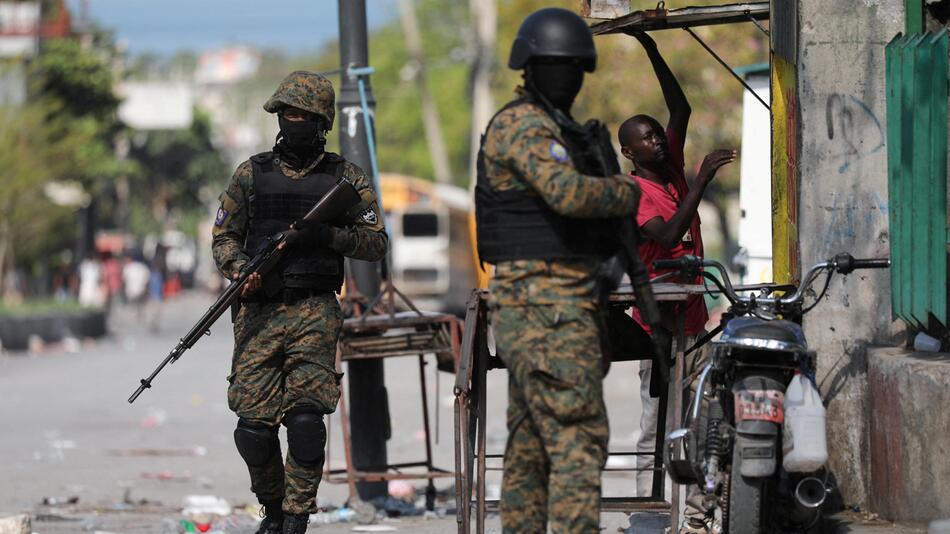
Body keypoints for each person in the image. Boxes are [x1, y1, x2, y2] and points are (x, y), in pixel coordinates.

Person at [474, 8, 642, 533]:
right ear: (531, 67)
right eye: (557, 66)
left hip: (560, 301)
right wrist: (626, 192)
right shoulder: (522, 123)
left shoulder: (559, 127)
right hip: (543, 303)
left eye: (575, 68)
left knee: (530, 445)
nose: (568, 77)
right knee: (577, 438)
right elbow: (565, 193)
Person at [211, 71, 388, 534]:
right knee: (253, 428)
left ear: (322, 121)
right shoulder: (251, 174)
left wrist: (327, 234)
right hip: (259, 312)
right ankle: (272, 506)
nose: (295, 122)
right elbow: (224, 236)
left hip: (315, 310)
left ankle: (295, 516)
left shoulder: (344, 177)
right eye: (288, 114)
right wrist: (238, 271)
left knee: (307, 421)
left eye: (305, 116)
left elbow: (376, 243)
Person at [617, 31, 736, 534]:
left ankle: (695, 514)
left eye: (657, 134)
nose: (658, 139)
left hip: (692, 318)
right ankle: (648, 514)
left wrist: (650, 47)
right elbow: (666, 235)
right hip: (657, 325)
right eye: (646, 137)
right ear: (629, 152)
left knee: (704, 416)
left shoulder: (671, 171)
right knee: (658, 420)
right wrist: (704, 180)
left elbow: (680, 110)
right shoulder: (635, 190)